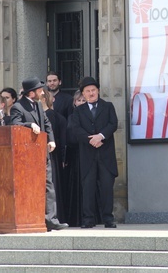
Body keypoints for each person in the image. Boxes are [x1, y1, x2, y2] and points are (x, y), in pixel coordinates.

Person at [10, 77, 68, 231]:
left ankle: (51, 219)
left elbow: (47, 123)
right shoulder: (18, 107)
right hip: (27, 156)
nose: (43, 92)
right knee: (31, 187)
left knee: (48, 186)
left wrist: (51, 140)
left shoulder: (38, 105)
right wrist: (29, 124)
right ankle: (32, 218)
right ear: (31, 92)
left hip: (42, 153)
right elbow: (15, 124)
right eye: (40, 90)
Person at [71, 77, 118, 228]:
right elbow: (75, 128)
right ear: (83, 94)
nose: (91, 93)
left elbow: (113, 124)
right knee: (88, 187)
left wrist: (101, 136)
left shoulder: (108, 106)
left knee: (106, 187)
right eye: (87, 91)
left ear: (98, 91)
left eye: (93, 90)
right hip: (88, 155)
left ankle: (108, 218)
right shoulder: (78, 111)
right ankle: (88, 219)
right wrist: (90, 139)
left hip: (105, 154)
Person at [41, 87, 67, 223]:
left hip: (50, 155)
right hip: (45, 155)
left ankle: (53, 216)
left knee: (51, 186)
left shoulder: (50, 115)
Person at [64, 90, 87, 227]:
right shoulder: (71, 117)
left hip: (87, 153)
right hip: (74, 155)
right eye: (79, 100)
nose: (81, 103)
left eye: (83, 100)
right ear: (74, 102)